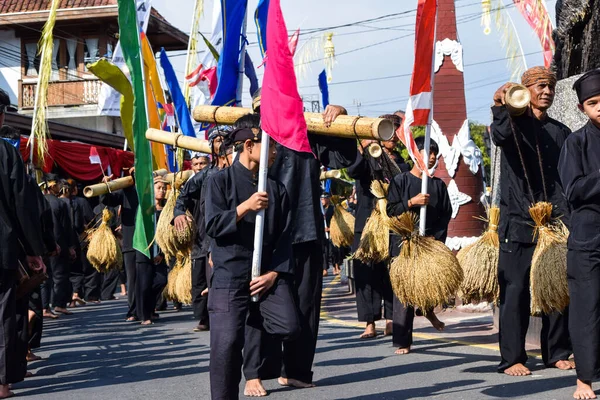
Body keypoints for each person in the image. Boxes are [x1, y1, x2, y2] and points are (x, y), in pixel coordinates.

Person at [248, 92, 357, 389]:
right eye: (263, 105)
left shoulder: (306, 130)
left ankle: (296, 371)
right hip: (265, 232)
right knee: (262, 303)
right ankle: (257, 372)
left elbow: (344, 157)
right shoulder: (251, 135)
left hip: (306, 227)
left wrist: (341, 114)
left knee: (306, 305)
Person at [204, 126, 300, 399]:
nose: (276, 152)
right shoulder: (219, 181)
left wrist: (273, 273)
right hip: (229, 274)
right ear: (249, 145)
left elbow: (285, 235)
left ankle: (256, 360)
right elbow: (212, 224)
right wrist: (245, 207)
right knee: (225, 346)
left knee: (288, 325)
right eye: (271, 145)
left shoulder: (275, 188)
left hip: (264, 277)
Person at [491, 66, 574, 377]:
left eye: (550, 87)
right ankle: (512, 358)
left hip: (554, 223)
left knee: (555, 288)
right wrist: (501, 105)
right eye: (540, 86)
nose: (547, 92)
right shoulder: (510, 124)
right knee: (514, 291)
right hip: (517, 222)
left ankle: (557, 353)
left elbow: (565, 179)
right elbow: (498, 135)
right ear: (525, 90)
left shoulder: (561, 132)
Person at [386, 137, 451, 355]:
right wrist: (412, 202)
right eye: (428, 152)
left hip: (428, 243)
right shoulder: (401, 181)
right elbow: (391, 210)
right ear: (416, 154)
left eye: (435, 153)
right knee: (403, 291)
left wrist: (435, 239)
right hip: (403, 242)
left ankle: (427, 310)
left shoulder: (438, 185)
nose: (432, 157)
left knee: (429, 284)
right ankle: (403, 339)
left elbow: (445, 215)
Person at [347, 114, 410, 339]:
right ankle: (369, 322)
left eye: (396, 131)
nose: (393, 135)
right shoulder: (366, 157)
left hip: (393, 223)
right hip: (367, 223)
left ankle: (392, 319)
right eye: (389, 130)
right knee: (366, 273)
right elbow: (353, 171)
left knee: (391, 272)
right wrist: (365, 148)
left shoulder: (402, 162)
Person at [558, 69, 600, 400]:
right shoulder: (576, 142)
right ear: (582, 108)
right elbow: (574, 190)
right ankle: (584, 379)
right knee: (587, 309)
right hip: (589, 241)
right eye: (593, 102)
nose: (599, 107)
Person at [0, 108, 46, 397]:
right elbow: (22, 206)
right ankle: (1, 382)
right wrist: (32, 250)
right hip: (3, 246)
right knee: (3, 313)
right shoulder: (6, 154)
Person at [174, 127, 234, 333]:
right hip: (204, 236)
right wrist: (178, 212)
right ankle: (204, 318)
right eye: (217, 140)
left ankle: (224, 317)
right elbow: (183, 195)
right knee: (200, 281)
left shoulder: (238, 171)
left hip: (229, 234)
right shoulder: (205, 175)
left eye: (225, 140)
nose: (221, 144)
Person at [100, 169, 139, 319]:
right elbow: (108, 200)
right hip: (130, 241)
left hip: (150, 241)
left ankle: (149, 308)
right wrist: (105, 186)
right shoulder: (126, 189)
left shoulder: (153, 188)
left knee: (154, 277)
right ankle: (134, 310)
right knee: (133, 278)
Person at [41, 176, 76, 317]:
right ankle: (59, 304)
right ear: (52, 186)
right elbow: (66, 227)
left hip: (43, 245)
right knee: (60, 276)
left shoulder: (40, 201)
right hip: (59, 244)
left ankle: (44, 306)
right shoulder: (60, 203)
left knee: (46, 277)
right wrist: (70, 246)